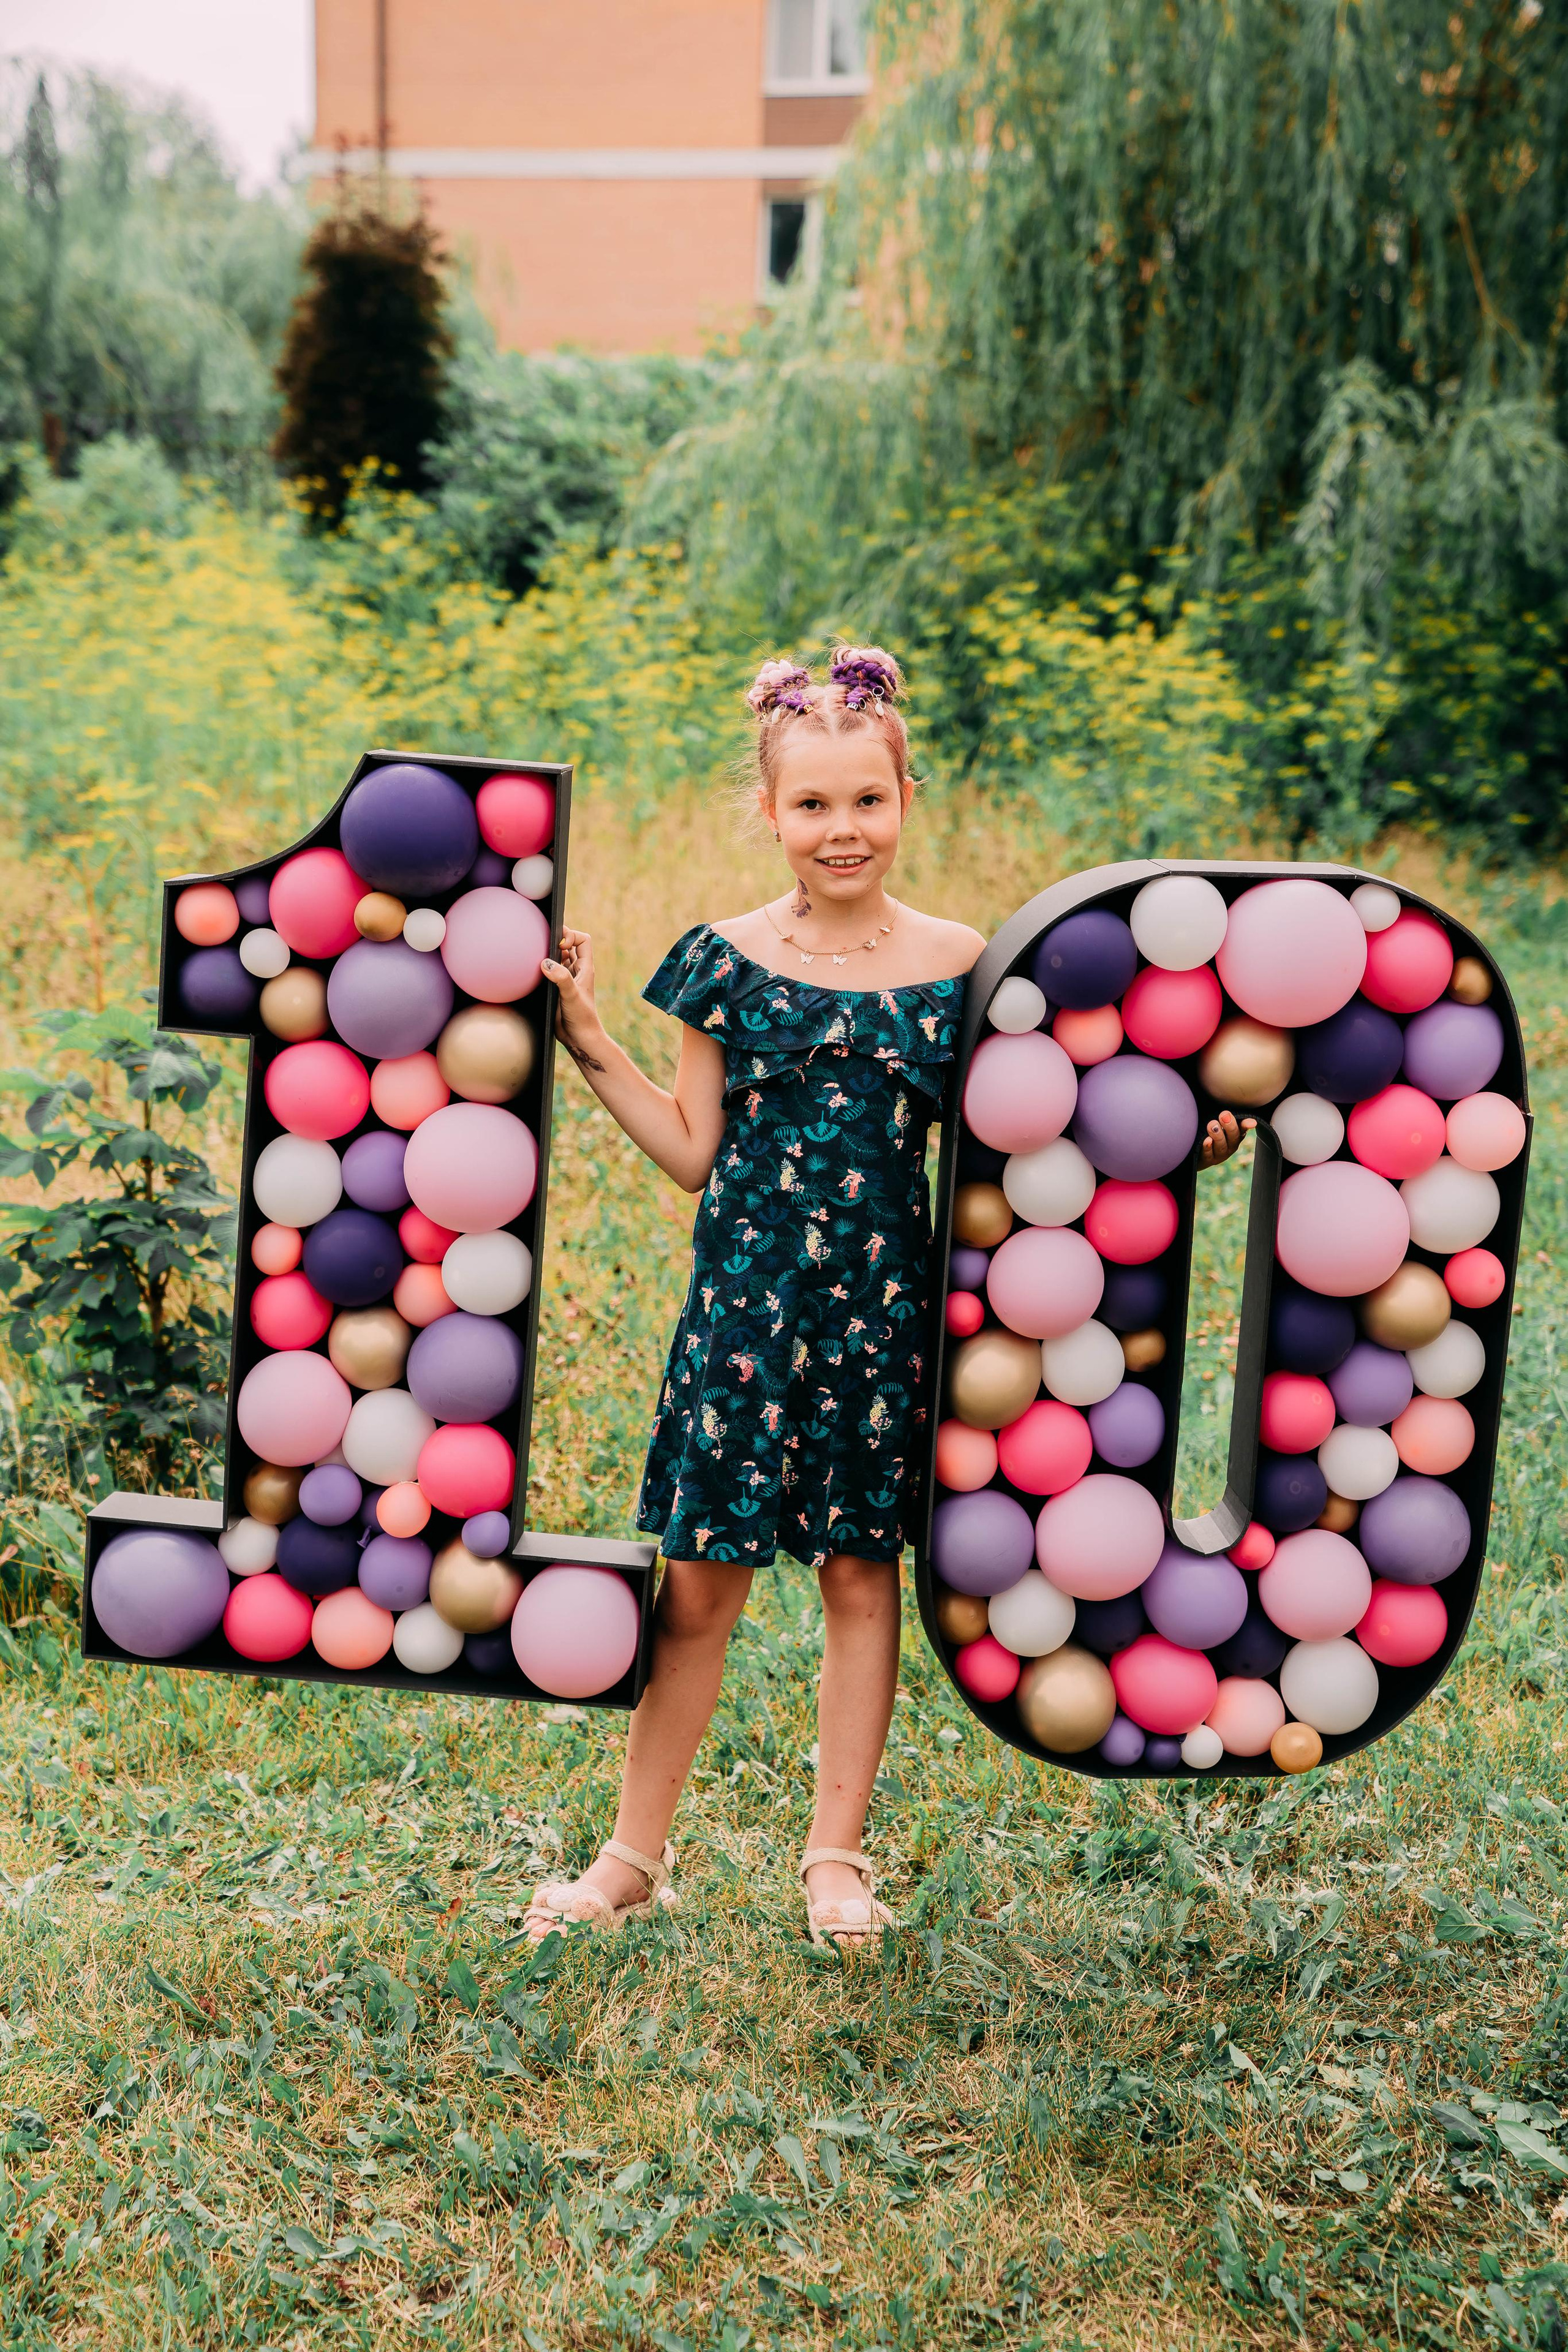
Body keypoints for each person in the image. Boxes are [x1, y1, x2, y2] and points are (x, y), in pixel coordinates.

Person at [526, 645, 1244, 1949]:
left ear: (907, 798)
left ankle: (834, 1860)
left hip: (882, 1322)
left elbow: (1033, 1129)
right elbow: (693, 1152)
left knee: (862, 1578)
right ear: (769, 813)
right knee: (698, 1587)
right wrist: (585, 1035)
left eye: (866, 801)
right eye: (811, 806)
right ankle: (631, 1856)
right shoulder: (724, 964)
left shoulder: (963, 967)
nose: (840, 830)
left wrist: (1169, 1126)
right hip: (743, 1320)